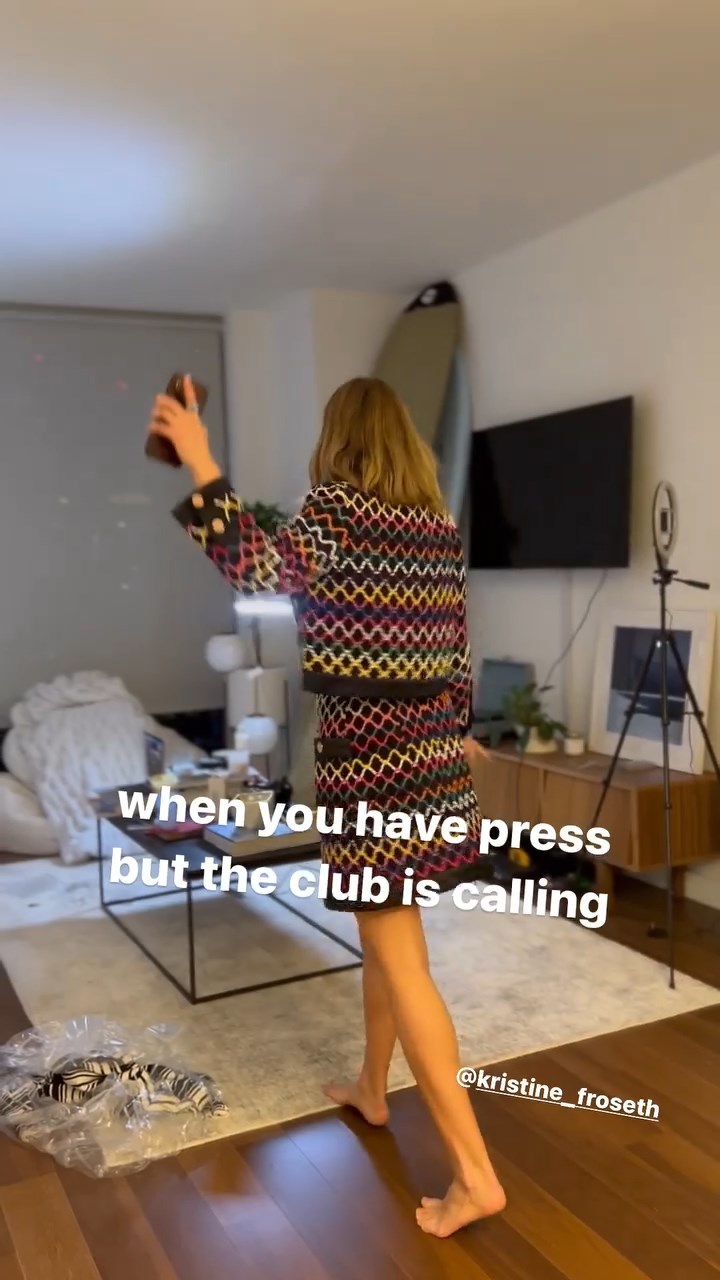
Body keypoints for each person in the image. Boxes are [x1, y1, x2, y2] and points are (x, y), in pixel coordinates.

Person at [149, 374, 506, 1238]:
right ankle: (373, 1087)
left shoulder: (339, 510)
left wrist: (200, 461)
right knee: (387, 938)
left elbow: (262, 569)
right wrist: (458, 731)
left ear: (338, 439)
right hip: (432, 761)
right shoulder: (434, 529)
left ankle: (475, 1176)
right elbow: (460, 648)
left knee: (401, 956)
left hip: (372, 767)